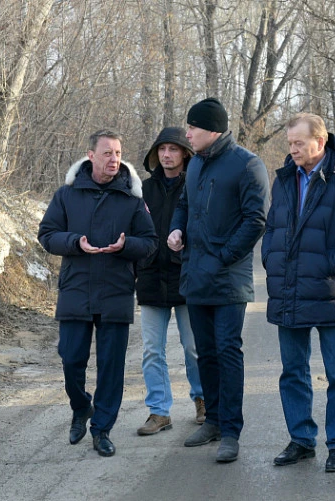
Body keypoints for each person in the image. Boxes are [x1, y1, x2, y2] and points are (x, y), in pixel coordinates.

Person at [261, 113, 335, 473]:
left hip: (331, 292)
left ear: (320, 142)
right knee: (292, 371)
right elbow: (272, 227)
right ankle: (301, 440)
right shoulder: (283, 179)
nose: (292, 149)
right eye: (289, 143)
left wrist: (330, 265)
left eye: (298, 143)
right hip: (289, 290)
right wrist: (270, 259)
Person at [38, 129, 157, 458]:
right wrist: (76, 242)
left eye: (118, 153)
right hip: (76, 289)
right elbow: (47, 235)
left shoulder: (133, 199)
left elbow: (149, 243)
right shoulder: (67, 194)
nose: (114, 159)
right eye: (107, 153)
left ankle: (101, 429)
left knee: (111, 367)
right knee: (71, 359)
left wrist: (125, 246)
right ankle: (81, 407)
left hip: (116, 292)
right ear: (90, 156)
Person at [167, 98, 269, 463]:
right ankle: (211, 421)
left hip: (228, 280)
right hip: (195, 276)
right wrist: (176, 230)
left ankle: (230, 431)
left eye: (192, 128)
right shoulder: (195, 166)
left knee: (228, 351)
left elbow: (256, 220)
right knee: (204, 352)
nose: (187, 134)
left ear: (212, 129)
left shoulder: (247, 165)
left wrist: (223, 257)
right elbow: (184, 205)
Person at [135, 127, 205, 436]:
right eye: (161, 149)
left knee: (194, 348)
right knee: (152, 349)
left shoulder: (196, 185)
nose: (166, 155)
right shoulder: (142, 191)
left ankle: (203, 400)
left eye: (173, 149)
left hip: (186, 277)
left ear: (185, 154)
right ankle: (159, 411)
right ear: (155, 154)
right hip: (150, 277)